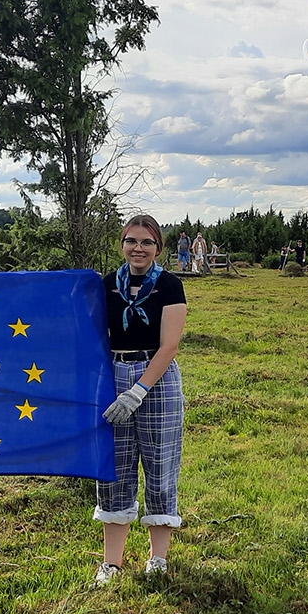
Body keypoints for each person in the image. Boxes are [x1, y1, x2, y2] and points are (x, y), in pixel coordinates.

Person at [96, 214, 188, 585]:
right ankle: (112, 563)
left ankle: (158, 559)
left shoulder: (169, 285)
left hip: (158, 377)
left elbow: (170, 345)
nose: (138, 248)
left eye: (147, 242)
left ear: (158, 248)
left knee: (160, 463)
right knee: (114, 468)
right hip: (113, 374)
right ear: (122, 244)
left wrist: (139, 390)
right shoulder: (106, 286)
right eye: (132, 241)